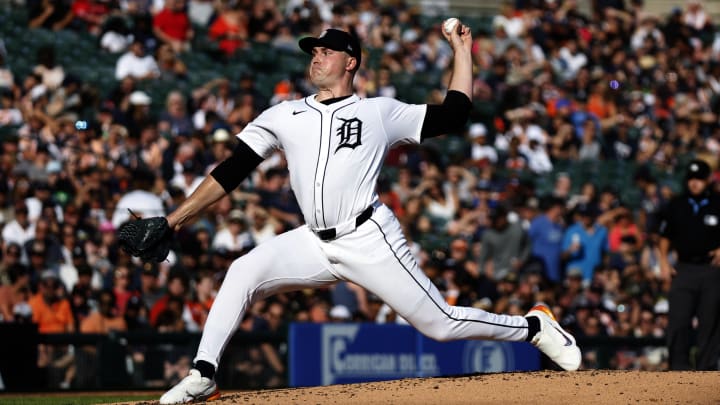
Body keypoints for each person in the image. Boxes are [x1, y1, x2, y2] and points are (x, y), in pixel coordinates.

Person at [148, 25, 580, 404]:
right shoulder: (283, 114)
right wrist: (173, 221)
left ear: (351, 62)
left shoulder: (378, 111)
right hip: (314, 241)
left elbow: (454, 114)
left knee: (440, 326)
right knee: (242, 271)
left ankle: (532, 327)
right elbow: (230, 171)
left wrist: (461, 50)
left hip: (368, 236)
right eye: (313, 50)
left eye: (327, 50)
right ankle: (203, 374)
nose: (316, 55)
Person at [659, 159, 720, 370]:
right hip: (683, 269)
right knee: (678, 321)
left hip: (711, 270)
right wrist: (664, 263)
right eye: (691, 179)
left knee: (710, 323)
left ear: (708, 180)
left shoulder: (717, 203)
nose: (695, 183)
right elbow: (664, 237)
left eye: (699, 179)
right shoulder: (677, 205)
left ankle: (707, 370)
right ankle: (678, 370)